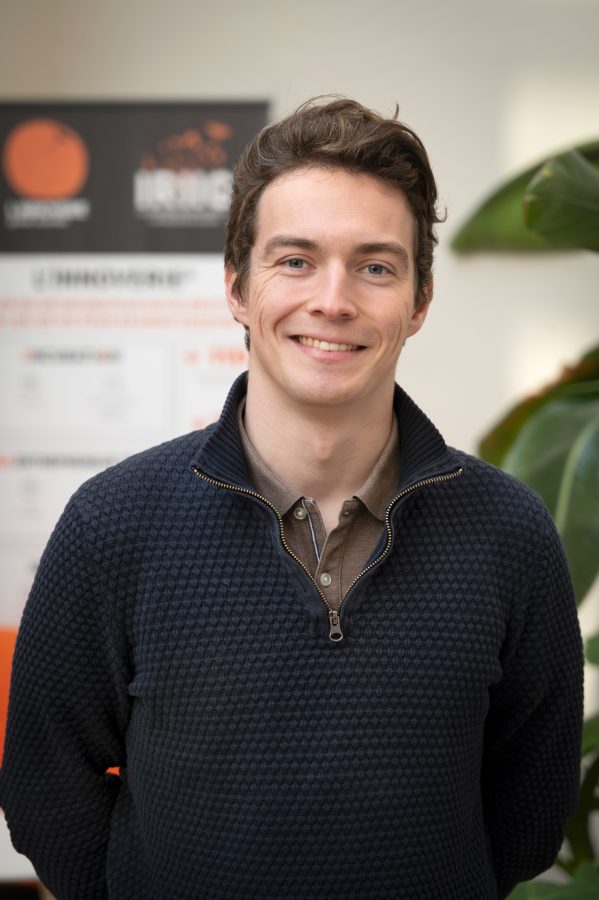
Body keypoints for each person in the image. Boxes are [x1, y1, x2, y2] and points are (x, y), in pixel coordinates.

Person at [0, 98, 583, 900]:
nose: (333, 300)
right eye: (296, 260)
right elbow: (45, 790)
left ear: (418, 302)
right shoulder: (112, 524)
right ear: (237, 287)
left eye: (375, 267)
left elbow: (528, 814)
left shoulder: (510, 532)